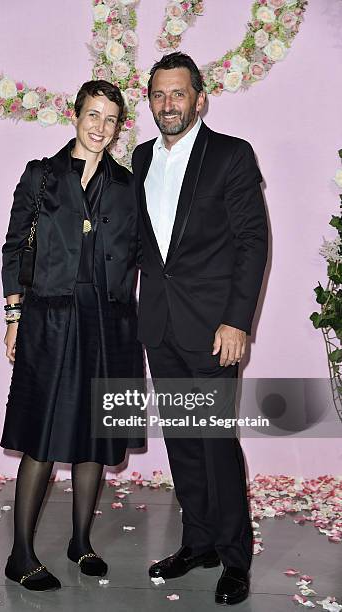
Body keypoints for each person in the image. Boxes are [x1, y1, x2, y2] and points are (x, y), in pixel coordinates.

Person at [132, 52, 268, 605]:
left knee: (214, 443)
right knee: (183, 443)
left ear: (199, 98)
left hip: (215, 329)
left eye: (178, 94)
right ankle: (199, 542)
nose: (168, 104)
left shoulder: (231, 156)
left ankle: (235, 558)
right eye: (159, 95)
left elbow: (252, 242)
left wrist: (238, 320)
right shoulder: (139, 159)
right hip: (160, 326)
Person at [0, 80, 144, 591]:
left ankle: (80, 541)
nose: (100, 127)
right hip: (50, 318)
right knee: (42, 432)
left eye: (110, 119)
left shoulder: (128, 185)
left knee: (94, 435)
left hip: (109, 322)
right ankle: (20, 553)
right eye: (92, 115)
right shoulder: (41, 176)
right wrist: (14, 315)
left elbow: (142, 253)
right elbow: (16, 245)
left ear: (118, 126)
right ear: (75, 115)